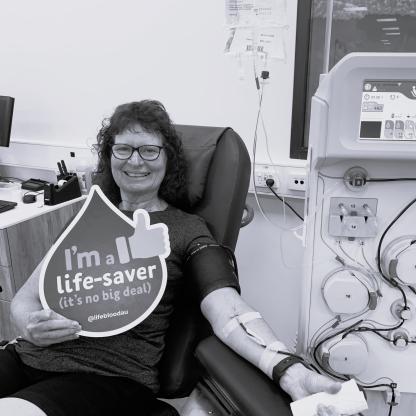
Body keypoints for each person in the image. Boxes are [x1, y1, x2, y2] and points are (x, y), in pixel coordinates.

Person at [0, 100, 341, 416]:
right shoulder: (90, 218)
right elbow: (26, 298)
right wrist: (30, 325)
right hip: (28, 356)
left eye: (149, 150)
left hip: (109, 376)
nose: (135, 161)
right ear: (109, 156)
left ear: (168, 159)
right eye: (123, 149)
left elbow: (229, 310)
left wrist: (287, 370)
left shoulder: (186, 229)